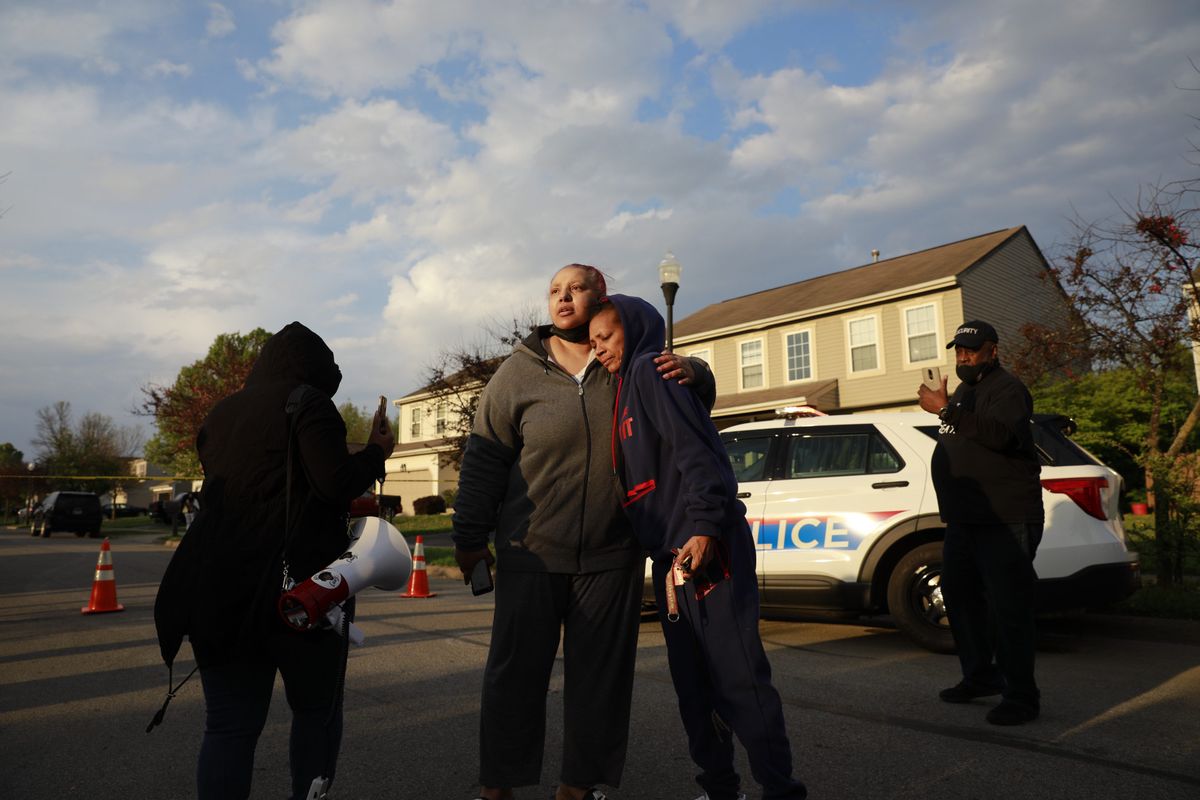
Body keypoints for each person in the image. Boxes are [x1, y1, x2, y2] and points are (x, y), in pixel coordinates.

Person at [452, 264, 713, 800]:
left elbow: (694, 393)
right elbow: (483, 460)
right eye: (554, 290)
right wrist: (470, 536)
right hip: (532, 553)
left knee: (600, 682)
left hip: (611, 553)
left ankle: (579, 785)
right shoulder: (517, 372)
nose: (563, 297)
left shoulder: (626, 361)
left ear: (601, 296)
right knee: (514, 680)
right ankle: (499, 784)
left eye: (576, 288)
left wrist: (694, 369)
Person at [153, 321, 396, 799]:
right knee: (315, 710)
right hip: (299, 590)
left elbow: (256, 485)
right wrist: (375, 453)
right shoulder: (310, 404)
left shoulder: (222, 413)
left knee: (228, 727)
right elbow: (333, 484)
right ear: (316, 371)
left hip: (218, 590)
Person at [589, 295, 808, 800]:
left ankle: (781, 790)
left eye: (608, 337)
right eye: (594, 342)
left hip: (707, 545)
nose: (600, 349)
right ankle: (719, 787)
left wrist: (706, 527)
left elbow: (698, 450)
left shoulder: (648, 371)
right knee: (693, 686)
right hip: (672, 558)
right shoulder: (620, 389)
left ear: (638, 328)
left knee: (737, 679)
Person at [916, 319, 1044, 726]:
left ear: (993, 350)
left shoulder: (1008, 389)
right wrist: (949, 407)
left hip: (1004, 519)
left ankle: (1022, 696)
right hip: (965, 520)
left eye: (972, 350)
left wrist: (945, 409)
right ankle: (980, 675)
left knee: (1009, 607)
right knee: (958, 595)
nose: (964, 356)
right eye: (959, 350)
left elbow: (1001, 436)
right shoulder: (965, 392)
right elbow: (965, 438)